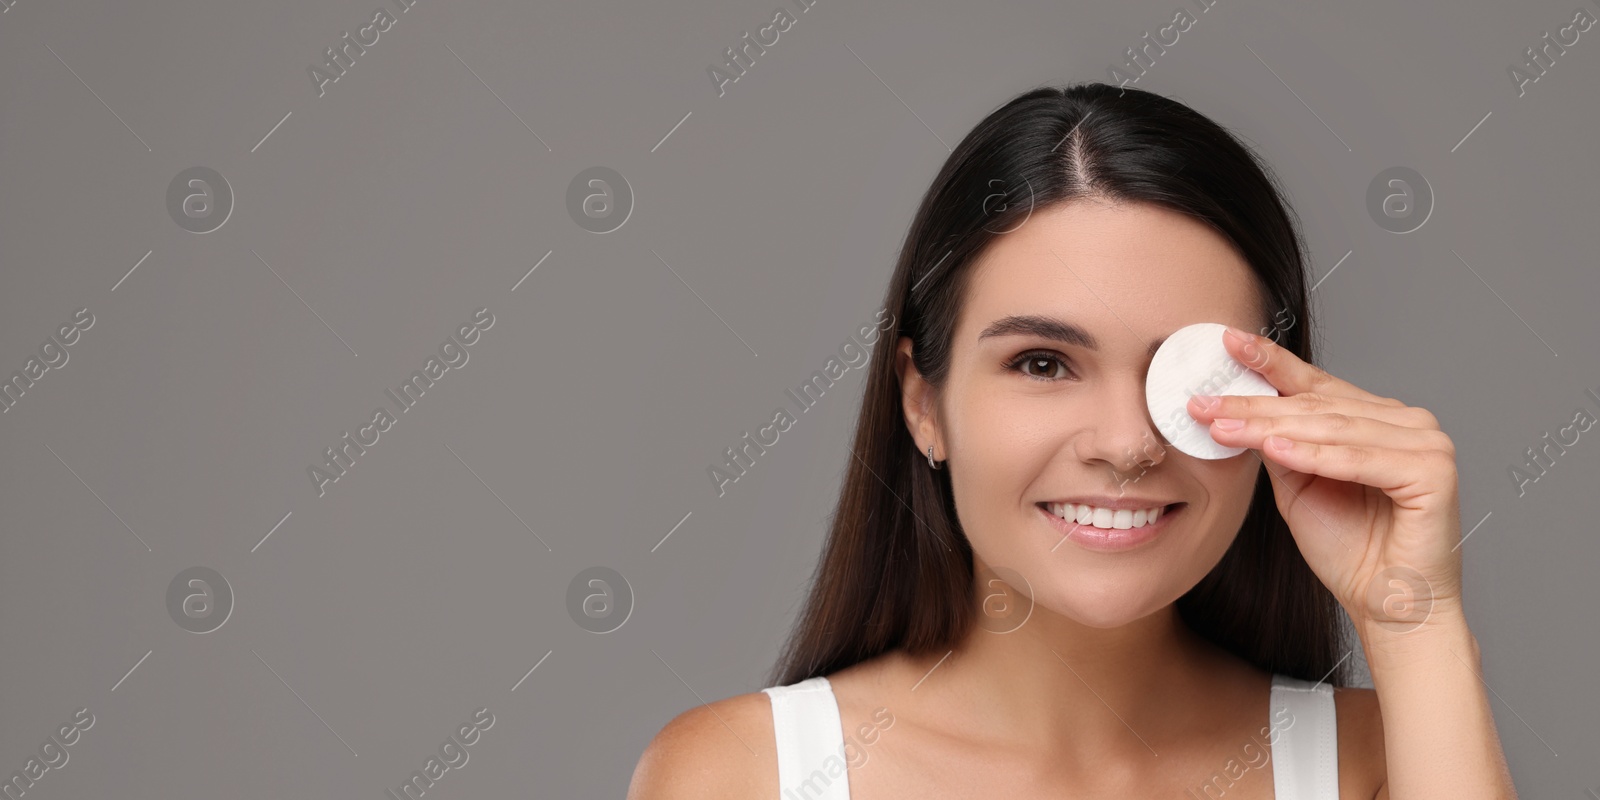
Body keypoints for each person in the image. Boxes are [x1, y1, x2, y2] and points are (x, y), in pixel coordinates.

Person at [627, 82, 1517, 799]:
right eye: (1044, 364)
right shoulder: (746, 775)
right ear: (923, 402)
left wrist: (1418, 621)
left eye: (1189, 375)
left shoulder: (1376, 766)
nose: (1128, 444)